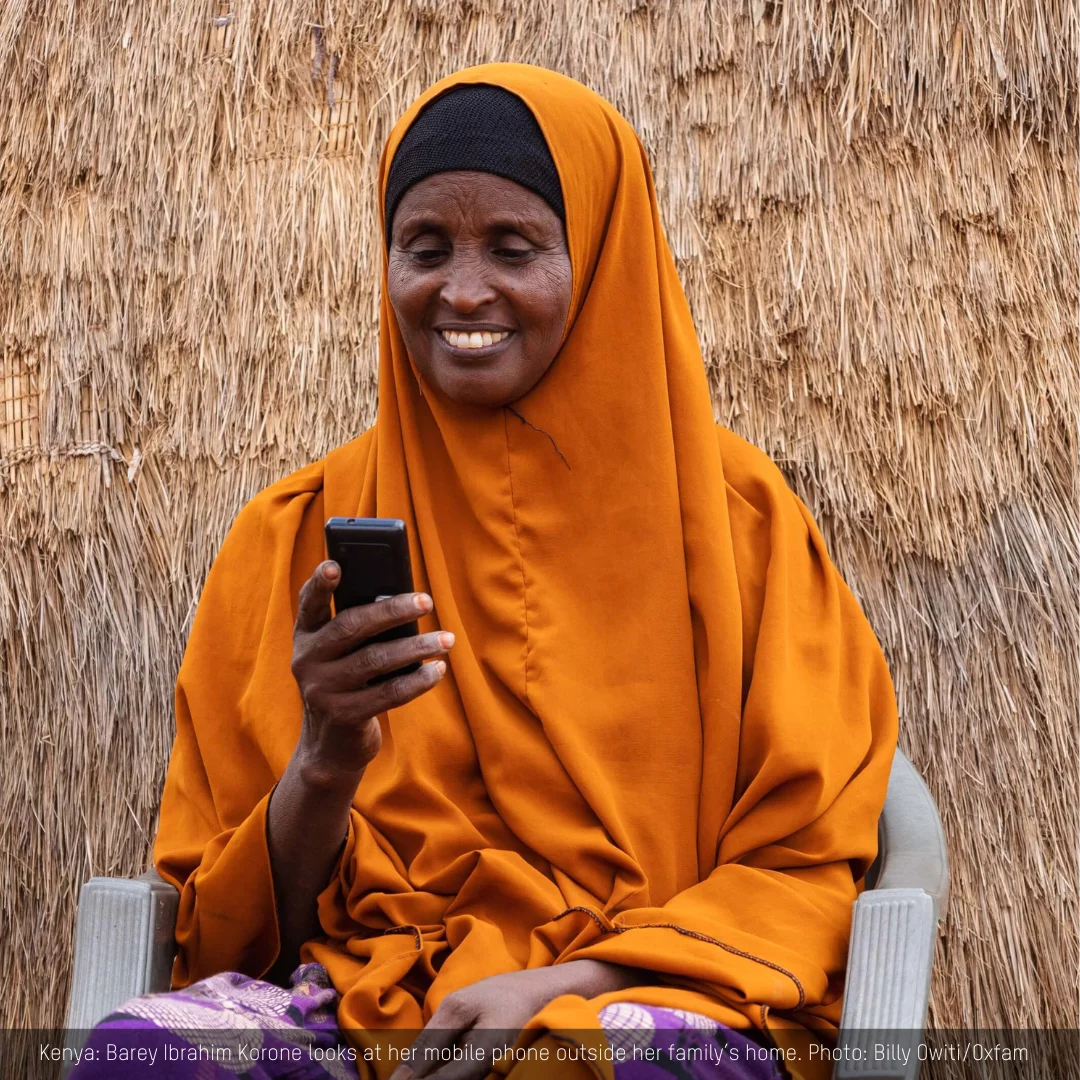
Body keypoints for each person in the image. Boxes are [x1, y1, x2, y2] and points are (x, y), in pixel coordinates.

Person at [70, 64, 898, 1080]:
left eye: (514, 247)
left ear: (597, 258)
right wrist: (327, 757)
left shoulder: (740, 529)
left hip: (647, 995)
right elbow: (233, 939)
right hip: (373, 1000)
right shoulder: (290, 535)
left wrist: (563, 986)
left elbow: (805, 862)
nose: (462, 291)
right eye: (424, 248)